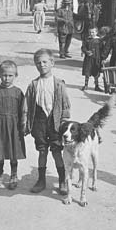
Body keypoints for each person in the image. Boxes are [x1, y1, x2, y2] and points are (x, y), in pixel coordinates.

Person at [24, 48, 71, 194]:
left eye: (45, 62)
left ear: (52, 63)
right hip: (39, 122)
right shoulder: (33, 85)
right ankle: (41, 180)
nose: (42, 65)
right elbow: (26, 106)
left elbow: (65, 104)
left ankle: (62, 179)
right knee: (42, 151)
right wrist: (25, 123)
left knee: (56, 152)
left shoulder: (58, 84)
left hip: (55, 122)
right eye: (38, 63)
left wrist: (63, 122)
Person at [0, 60, 26, 190]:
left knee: (13, 152)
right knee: (0, 151)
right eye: (4, 75)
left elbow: (23, 111)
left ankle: (13, 175)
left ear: (16, 75)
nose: (7, 78)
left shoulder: (18, 92)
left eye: (10, 75)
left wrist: (23, 125)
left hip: (14, 127)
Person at [81, 26, 103, 91]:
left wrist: (102, 58)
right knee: (87, 71)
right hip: (88, 58)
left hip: (96, 58)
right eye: (90, 32)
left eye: (93, 32)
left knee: (96, 72)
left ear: (96, 32)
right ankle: (86, 85)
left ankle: (96, 86)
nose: (91, 34)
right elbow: (83, 47)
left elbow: (102, 49)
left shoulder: (99, 40)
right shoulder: (87, 39)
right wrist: (86, 52)